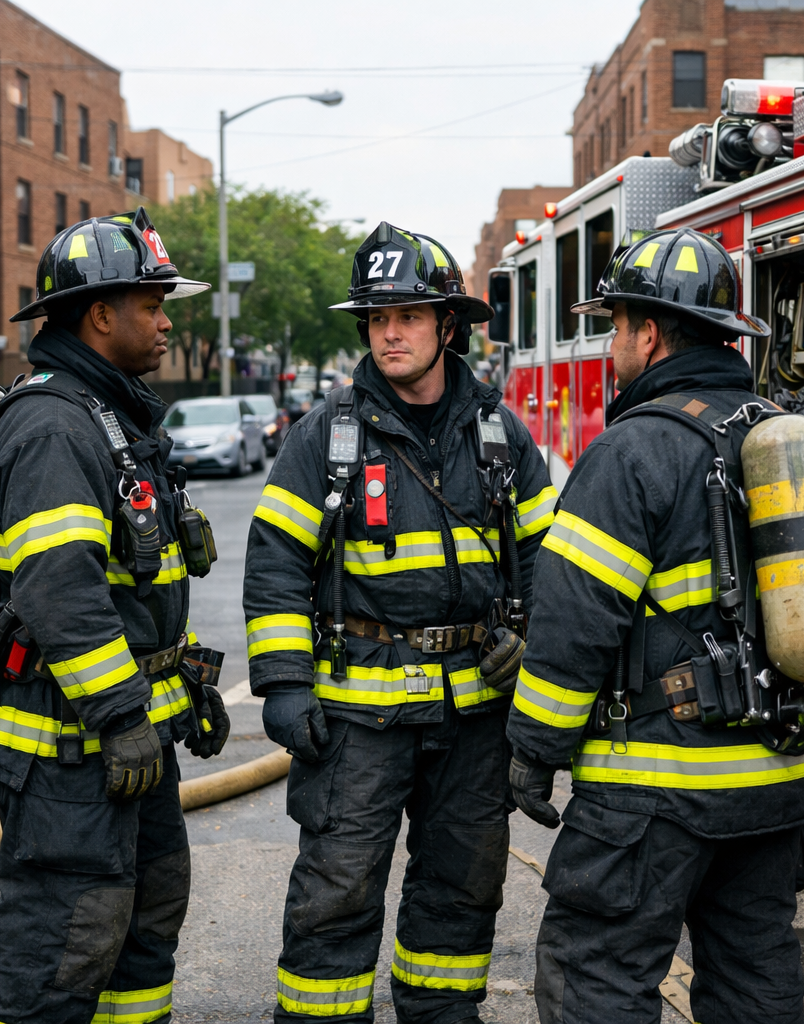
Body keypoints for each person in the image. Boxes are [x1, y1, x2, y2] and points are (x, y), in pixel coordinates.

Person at [507, 229, 804, 1024]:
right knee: (754, 977)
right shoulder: (777, 432)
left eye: (615, 324)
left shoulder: (632, 449)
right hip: (778, 782)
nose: (613, 342)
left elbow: (573, 624)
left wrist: (533, 751)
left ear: (648, 333)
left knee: (596, 977)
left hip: (655, 789)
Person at [243, 222, 557, 1024]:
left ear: (447, 325)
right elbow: (276, 562)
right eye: (377, 318)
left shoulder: (499, 433)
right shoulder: (326, 436)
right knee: (335, 892)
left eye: (409, 315)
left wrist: (534, 651)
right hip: (357, 720)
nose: (389, 332)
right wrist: (283, 684)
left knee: (462, 889)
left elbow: (553, 563)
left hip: (474, 717)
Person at [0, 208, 231, 1024]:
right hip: (67, 752)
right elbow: (58, 591)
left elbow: (133, 598)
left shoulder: (108, 418)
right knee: (59, 947)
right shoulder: (51, 427)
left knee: (142, 925)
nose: (168, 319)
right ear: (101, 315)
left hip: (121, 739)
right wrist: (119, 712)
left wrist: (176, 697)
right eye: (153, 303)